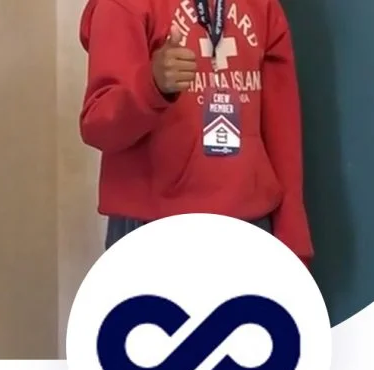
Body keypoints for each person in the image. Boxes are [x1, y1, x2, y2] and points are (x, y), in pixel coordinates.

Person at [79, 0, 313, 266]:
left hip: (250, 229)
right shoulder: (121, 5)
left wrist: (293, 236)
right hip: (154, 233)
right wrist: (152, 84)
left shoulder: (264, 6)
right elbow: (98, 127)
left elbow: (282, 127)